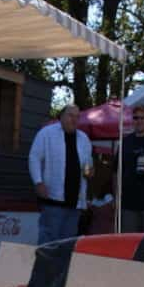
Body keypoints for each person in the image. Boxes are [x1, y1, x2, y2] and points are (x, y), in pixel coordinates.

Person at [28, 105, 93, 244]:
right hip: (53, 198)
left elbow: (88, 163)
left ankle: (62, 266)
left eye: (77, 117)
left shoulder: (84, 138)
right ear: (61, 117)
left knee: (68, 242)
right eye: (71, 115)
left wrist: (89, 172)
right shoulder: (46, 133)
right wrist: (38, 182)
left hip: (75, 201)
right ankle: (45, 266)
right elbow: (34, 157)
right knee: (49, 239)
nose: (74, 119)